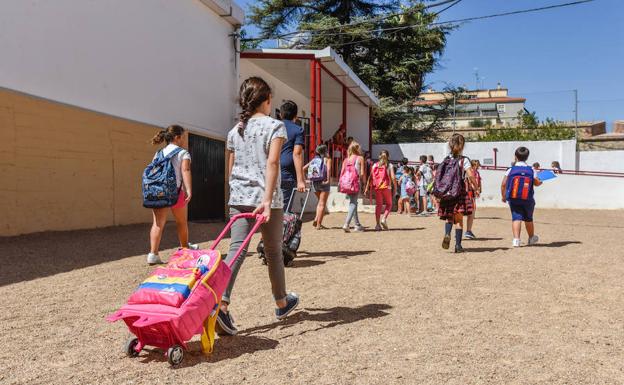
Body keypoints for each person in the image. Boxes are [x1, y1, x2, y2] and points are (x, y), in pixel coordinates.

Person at [218, 77, 299, 336]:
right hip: (267, 200)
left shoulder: (234, 131)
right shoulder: (275, 126)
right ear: (266, 101)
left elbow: (229, 167)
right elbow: (272, 163)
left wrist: (232, 192)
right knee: (274, 250)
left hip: (239, 195)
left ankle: (221, 302)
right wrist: (266, 200)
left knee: (236, 250)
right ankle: (281, 302)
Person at [147, 124, 198, 265]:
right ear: (177, 137)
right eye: (183, 136)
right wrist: (189, 189)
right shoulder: (183, 153)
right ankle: (185, 248)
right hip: (175, 192)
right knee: (181, 222)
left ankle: (153, 254)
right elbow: (186, 171)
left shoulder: (158, 153)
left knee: (157, 223)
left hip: (158, 191)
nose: (184, 139)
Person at [437, 134, 477, 253]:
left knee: (449, 218)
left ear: (450, 144)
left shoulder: (446, 159)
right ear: (463, 145)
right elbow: (470, 174)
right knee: (459, 220)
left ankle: (447, 233)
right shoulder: (464, 160)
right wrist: (476, 186)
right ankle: (458, 246)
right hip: (459, 192)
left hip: (447, 192)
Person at [502, 147, 543, 247]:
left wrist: (504, 196)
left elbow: (503, 184)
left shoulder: (511, 169)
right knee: (528, 218)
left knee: (516, 218)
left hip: (513, 198)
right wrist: (541, 181)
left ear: (516, 156)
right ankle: (531, 238)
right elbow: (537, 183)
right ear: (527, 157)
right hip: (527, 198)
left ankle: (516, 240)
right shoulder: (531, 170)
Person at [279, 101, 306, 209]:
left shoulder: (273, 127)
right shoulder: (298, 130)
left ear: (281, 114)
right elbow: (297, 154)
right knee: (284, 210)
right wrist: (300, 180)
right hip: (287, 174)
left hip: (269, 172)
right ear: (296, 116)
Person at [365, 150, 396, 231]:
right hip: (386, 187)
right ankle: (384, 219)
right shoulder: (389, 165)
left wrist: (366, 188)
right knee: (389, 204)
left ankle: (377, 225)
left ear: (379, 156)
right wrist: (395, 187)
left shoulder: (375, 165)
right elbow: (393, 178)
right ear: (388, 157)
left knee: (379, 205)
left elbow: (370, 177)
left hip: (377, 187)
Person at [305, 144, 332, 230]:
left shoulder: (314, 160)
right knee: (322, 204)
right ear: (326, 151)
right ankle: (318, 225)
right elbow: (328, 170)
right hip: (324, 182)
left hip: (314, 182)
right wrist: (328, 180)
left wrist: (305, 179)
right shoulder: (327, 159)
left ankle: (317, 219)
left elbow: (303, 168)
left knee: (319, 202)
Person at [341, 141, 366, 232]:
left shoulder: (346, 159)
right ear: (357, 149)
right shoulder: (360, 158)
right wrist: (363, 184)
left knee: (353, 202)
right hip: (355, 182)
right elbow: (362, 173)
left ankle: (357, 224)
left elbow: (342, 172)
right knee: (353, 203)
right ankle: (346, 224)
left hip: (347, 183)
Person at [465, 159, 482, 240]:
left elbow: (478, 181)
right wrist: (476, 189)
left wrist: (479, 189)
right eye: (477, 165)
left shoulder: (475, 172)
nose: (478, 166)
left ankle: (468, 230)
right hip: (469, 193)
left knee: (471, 212)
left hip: (472, 193)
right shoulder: (471, 172)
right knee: (471, 212)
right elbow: (470, 181)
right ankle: (468, 231)